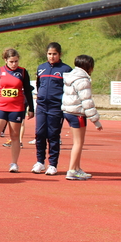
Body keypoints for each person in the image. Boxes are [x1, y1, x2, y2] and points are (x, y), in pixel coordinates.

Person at [32, 42, 72, 176]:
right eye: (49, 54)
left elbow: (69, 89)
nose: (52, 56)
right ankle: (40, 162)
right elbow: (39, 85)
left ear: (59, 54)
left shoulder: (66, 69)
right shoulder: (41, 68)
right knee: (39, 134)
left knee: (53, 135)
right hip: (42, 106)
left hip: (56, 107)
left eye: (54, 54)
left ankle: (53, 164)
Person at [62, 55, 103, 180]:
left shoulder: (71, 76)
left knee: (78, 142)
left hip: (68, 111)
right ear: (89, 67)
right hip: (77, 113)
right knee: (78, 143)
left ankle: (77, 168)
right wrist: (95, 120)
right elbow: (87, 102)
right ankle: (72, 170)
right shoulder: (83, 80)